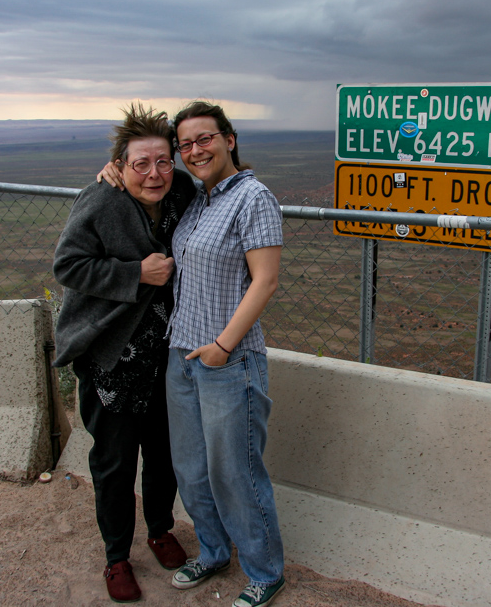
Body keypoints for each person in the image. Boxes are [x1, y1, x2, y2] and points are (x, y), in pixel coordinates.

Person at [52, 103, 196, 603]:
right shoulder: (101, 200)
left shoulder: (181, 193)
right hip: (110, 362)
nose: (154, 174)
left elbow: (215, 177)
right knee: (113, 465)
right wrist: (135, 273)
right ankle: (116, 557)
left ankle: (159, 530)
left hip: (165, 358)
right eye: (140, 164)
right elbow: (68, 266)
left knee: (163, 454)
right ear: (120, 165)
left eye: (163, 161)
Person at [165, 101, 286, 607]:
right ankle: (213, 551)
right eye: (186, 144)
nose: (196, 150)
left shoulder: (253, 198)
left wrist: (221, 346)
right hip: (182, 354)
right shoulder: (198, 199)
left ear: (229, 139)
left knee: (235, 471)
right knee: (191, 469)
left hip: (227, 359)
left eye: (205, 139)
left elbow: (265, 280)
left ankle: (264, 571)